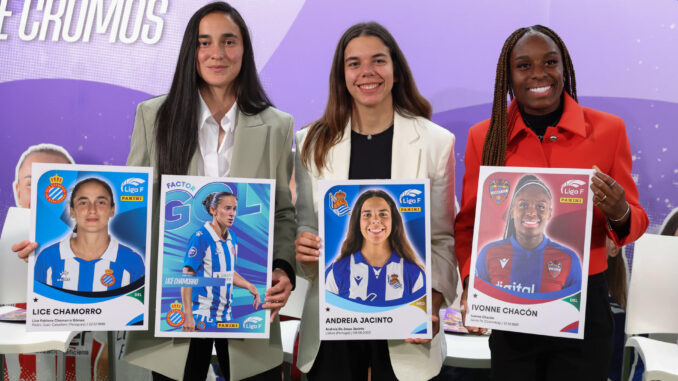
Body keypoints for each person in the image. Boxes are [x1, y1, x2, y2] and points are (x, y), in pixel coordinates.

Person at [455, 25, 649, 380]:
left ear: (564, 68)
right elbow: (469, 224)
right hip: (509, 301)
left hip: (584, 306)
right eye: (524, 65)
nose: (539, 73)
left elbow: (633, 223)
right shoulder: (484, 136)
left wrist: (619, 210)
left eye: (550, 62)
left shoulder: (609, 130)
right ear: (508, 76)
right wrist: (473, 285)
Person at [123, 2, 296, 380]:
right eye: (205, 42)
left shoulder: (277, 125)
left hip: (248, 321)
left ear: (244, 50)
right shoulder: (154, 117)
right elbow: (131, 209)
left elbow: (283, 213)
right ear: (191, 52)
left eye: (228, 41)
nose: (217, 53)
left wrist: (283, 268)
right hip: (178, 312)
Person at [294, 22, 456, 380]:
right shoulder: (310, 142)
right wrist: (303, 247)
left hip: (407, 320)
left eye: (378, 61)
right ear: (342, 75)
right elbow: (305, 223)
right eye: (354, 63)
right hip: (332, 322)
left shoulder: (435, 142)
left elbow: (443, 238)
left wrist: (432, 303)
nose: (367, 72)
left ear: (395, 70)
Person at [475, 174, 581, 295]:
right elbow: (478, 300)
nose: (531, 212)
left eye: (541, 206)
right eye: (523, 205)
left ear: (550, 213)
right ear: (512, 211)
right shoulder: (488, 252)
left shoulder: (568, 258)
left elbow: (572, 308)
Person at [34, 178, 144, 291]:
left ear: (112, 209)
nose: (92, 210)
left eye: (101, 202)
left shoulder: (132, 261)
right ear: (72, 211)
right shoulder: (47, 258)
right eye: (83, 203)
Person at [325, 190, 425, 304]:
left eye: (383, 214)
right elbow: (327, 316)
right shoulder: (336, 271)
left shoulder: (414, 273)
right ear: (358, 222)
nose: (375, 220)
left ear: (393, 221)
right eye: (367, 215)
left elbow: (419, 319)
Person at [181, 192, 260, 330]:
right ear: (213, 210)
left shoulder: (232, 238)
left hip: (226, 316)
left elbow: (227, 272)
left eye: (234, 209)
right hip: (203, 315)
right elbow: (187, 277)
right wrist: (188, 316)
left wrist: (249, 286)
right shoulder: (200, 237)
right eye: (227, 208)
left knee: (227, 352)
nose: (232, 214)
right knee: (199, 352)